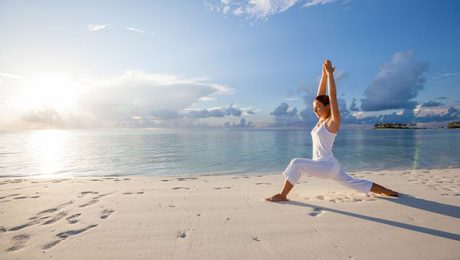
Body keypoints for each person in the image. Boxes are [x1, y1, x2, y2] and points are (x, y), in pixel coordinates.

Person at [266, 60, 398, 202]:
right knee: (355, 183)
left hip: (326, 166)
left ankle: (283, 195)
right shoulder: (320, 121)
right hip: (329, 164)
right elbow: (320, 95)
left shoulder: (332, 122)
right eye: (314, 108)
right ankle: (388, 191)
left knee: (296, 163)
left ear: (328, 107)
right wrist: (323, 76)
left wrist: (330, 75)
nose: (315, 110)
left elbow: (332, 97)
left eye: (318, 107)